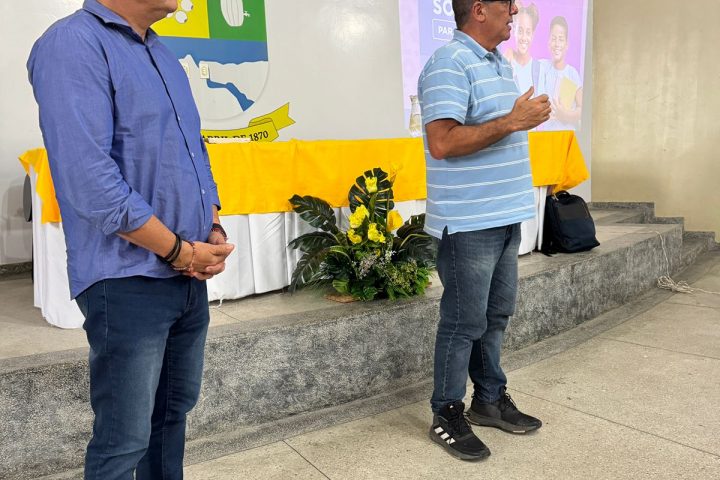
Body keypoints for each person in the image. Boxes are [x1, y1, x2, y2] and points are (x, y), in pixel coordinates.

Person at [27, 1, 235, 478]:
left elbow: (195, 152)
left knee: (171, 417)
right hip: (126, 279)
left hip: (185, 276)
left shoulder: (160, 53)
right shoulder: (73, 43)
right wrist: (180, 251)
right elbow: (90, 182)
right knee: (124, 441)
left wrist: (212, 226)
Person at [418, 0, 548, 461]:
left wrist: (517, 120)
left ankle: (488, 400)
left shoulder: (497, 62)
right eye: (506, 4)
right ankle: (446, 413)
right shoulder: (449, 62)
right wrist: (513, 121)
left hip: (505, 217)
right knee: (463, 323)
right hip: (469, 221)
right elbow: (442, 142)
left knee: (495, 317)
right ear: (478, 9)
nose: (514, 10)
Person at [537, 15, 583, 131]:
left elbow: (582, 109)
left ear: (566, 44)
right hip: (545, 136)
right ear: (548, 42)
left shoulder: (572, 74)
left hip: (566, 136)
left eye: (561, 39)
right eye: (553, 38)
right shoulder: (542, 66)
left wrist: (565, 115)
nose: (557, 44)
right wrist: (511, 52)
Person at [504, 2, 541, 93]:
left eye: (528, 32)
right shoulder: (506, 63)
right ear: (514, 31)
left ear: (532, 34)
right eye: (520, 31)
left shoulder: (541, 69)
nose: (524, 38)